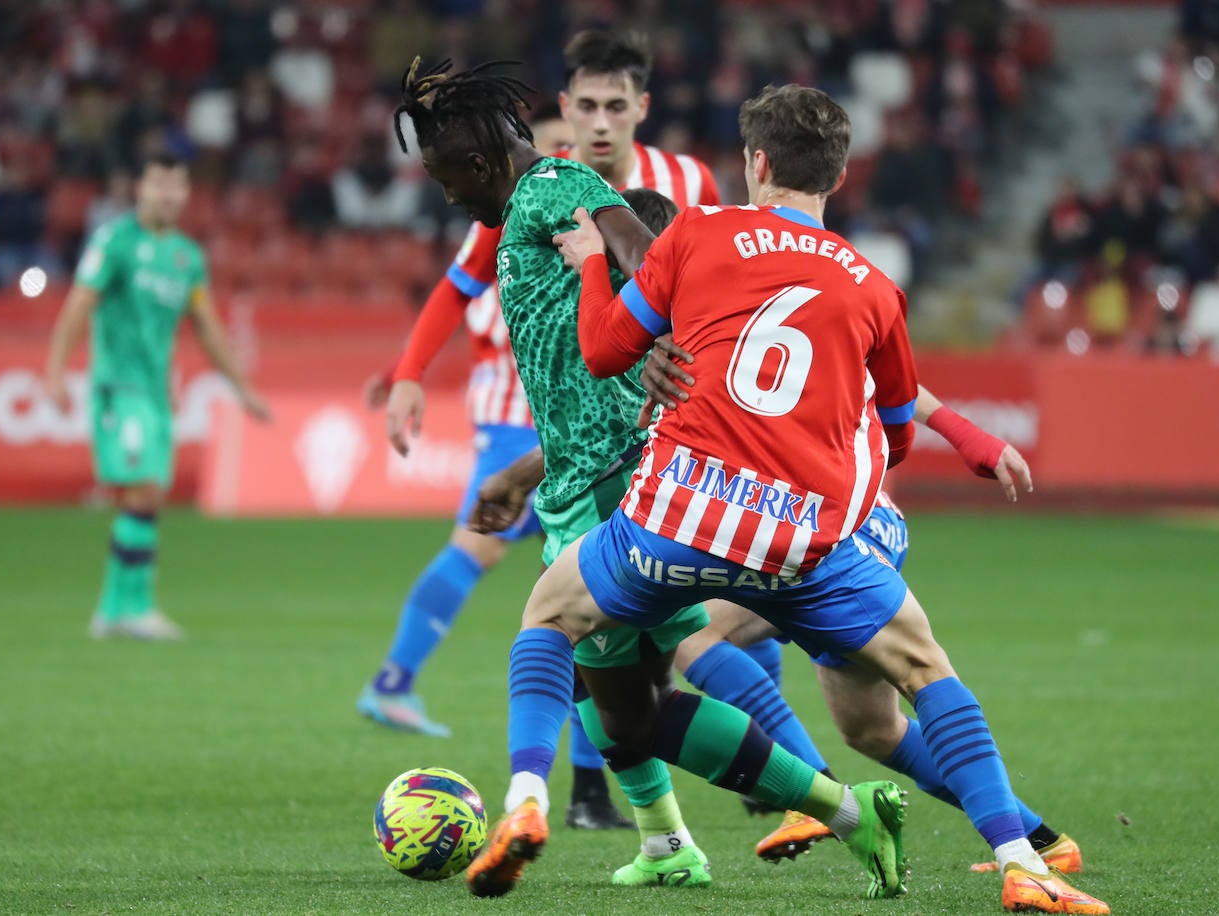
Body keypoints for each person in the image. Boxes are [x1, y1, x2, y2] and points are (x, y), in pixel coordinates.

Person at [491, 84, 1109, 914]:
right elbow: (893, 438)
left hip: (686, 515)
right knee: (920, 675)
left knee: (555, 615)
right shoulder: (872, 288)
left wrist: (593, 266)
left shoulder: (700, 234)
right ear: (842, 174)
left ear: (756, 162)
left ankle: (530, 798)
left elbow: (604, 351)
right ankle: (1019, 855)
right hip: (814, 533)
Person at [395, 59, 910, 903]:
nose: (450, 199)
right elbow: (581, 370)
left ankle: (526, 804)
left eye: (448, 180)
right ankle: (817, 816)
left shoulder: (555, 185)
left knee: (555, 633)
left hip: (609, 488)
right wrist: (531, 469)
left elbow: (641, 246)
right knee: (628, 709)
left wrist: (667, 324)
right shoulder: (532, 200)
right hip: (585, 473)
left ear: (482, 166)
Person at [359, 28, 718, 828]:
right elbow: (460, 287)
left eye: (613, 105)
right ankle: (670, 821)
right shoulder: (520, 197)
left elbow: (668, 264)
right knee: (637, 665)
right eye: (584, 103)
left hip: (630, 440)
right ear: (564, 106)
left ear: (639, 109)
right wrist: (414, 374)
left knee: (578, 633)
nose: (598, 119)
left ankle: (540, 800)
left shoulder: (638, 182)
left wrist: (670, 343)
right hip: (561, 437)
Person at [641, 342, 1087, 875]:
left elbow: (893, 383)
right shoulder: (773, 311)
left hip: (839, 518)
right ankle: (1043, 842)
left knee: (694, 632)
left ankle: (813, 794)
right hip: (818, 518)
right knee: (872, 731)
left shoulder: (781, 313)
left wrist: (967, 434)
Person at [44, 152, 270, 641]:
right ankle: (132, 607)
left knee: (147, 496)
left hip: (155, 393)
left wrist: (243, 389)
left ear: (186, 194)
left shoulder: (188, 257)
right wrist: (56, 370)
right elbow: (80, 303)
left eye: (175, 186)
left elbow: (206, 326)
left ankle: (115, 609)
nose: (166, 195)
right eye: (158, 185)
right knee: (143, 488)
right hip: (117, 387)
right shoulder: (115, 242)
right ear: (140, 189)